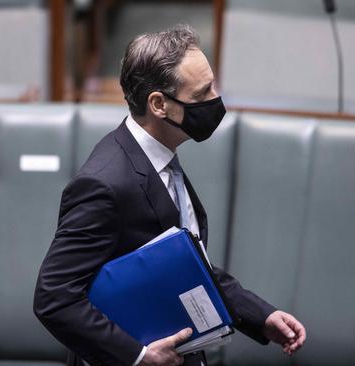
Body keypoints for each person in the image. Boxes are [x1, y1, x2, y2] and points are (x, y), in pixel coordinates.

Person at [33, 24, 306, 366]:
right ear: (159, 104)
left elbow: (188, 262)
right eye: (202, 93)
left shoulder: (159, 159)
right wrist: (138, 356)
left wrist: (261, 316)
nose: (215, 100)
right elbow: (54, 297)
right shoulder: (104, 184)